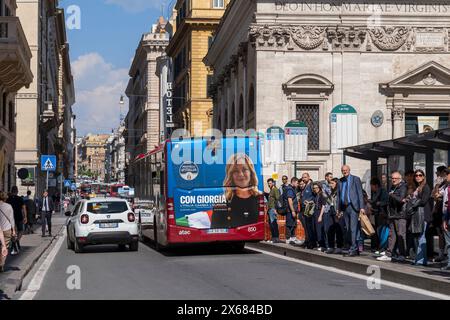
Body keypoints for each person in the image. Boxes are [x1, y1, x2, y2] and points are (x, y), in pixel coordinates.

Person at [378, 171, 408, 262]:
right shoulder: (393, 187)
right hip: (392, 215)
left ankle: (402, 254)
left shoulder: (403, 187)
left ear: (400, 179)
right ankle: (389, 253)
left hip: (400, 215)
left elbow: (401, 200)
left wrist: (392, 195)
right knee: (392, 235)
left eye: (395, 178)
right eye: (392, 178)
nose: (393, 180)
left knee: (400, 235)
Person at [337, 165, 365, 257]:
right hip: (344, 207)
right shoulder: (340, 181)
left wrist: (362, 207)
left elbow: (360, 193)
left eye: (346, 170)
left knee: (353, 229)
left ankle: (353, 248)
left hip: (353, 206)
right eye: (343, 170)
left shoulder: (355, 179)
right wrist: (338, 208)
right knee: (348, 229)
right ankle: (353, 247)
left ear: (349, 170)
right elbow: (339, 195)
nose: (344, 172)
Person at [407, 169, 432, 266]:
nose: (418, 177)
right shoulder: (417, 187)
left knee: (421, 237)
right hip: (416, 215)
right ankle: (421, 259)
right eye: (416, 175)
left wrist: (412, 202)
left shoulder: (426, 187)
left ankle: (420, 260)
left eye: (420, 175)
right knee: (417, 237)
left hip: (424, 215)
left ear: (424, 176)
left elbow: (424, 201)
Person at [428, 166, 448, 262]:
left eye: (438, 173)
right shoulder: (441, 184)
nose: (437, 175)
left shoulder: (446, 184)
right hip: (439, 211)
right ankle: (441, 254)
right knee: (440, 233)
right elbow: (433, 196)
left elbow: (437, 196)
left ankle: (444, 254)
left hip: (443, 211)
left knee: (444, 233)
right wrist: (437, 185)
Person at [323, 178, 344, 254]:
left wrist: (340, 211)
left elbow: (341, 202)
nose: (330, 185)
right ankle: (331, 246)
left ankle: (339, 247)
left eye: (332, 183)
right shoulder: (331, 192)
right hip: (331, 210)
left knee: (338, 229)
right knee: (330, 229)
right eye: (330, 183)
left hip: (337, 210)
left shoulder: (339, 191)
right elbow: (329, 201)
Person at [369, 177, 388, 252]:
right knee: (378, 231)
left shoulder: (383, 192)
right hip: (377, 214)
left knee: (381, 232)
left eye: (371, 186)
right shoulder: (375, 193)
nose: (371, 188)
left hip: (382, 214)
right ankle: (379, 247)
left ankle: (383, 248)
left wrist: (379, 203)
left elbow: (386, 201)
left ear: (376, 185)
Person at [284, 177, 302, 245]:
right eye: (297, 183)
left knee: (293, 224)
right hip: (290, 210)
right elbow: (290, 200)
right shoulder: (290, 189)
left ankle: (292, 238)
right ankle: (288, 238)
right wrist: (293, 211)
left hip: (291, 210)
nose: (298, 185)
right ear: (293, 182)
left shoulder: (290, 189)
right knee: (290, 224)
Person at [0, 191, 15, 272]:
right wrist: (14, 230)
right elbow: (11, 219)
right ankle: (1, 265)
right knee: (4, 247)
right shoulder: (8, 206)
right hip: (6, 229)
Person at [300, 173, 315, 249]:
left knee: (310, 226)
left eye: (305, 177)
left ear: (309, 177)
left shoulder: (311, 185)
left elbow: (315, 196)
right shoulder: (305, 186)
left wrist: (310, 202)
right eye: (302, 177)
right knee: (306, 227)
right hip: (304, 209)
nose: (303, 179)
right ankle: (308, 241)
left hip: (310, 208)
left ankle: (312, 243)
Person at [440, 169, 450, 271]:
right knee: (448, 242)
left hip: (448, 216)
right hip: (447, 215)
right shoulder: (446, 187)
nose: (445, 176)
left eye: (447, 174)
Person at [312, 183, 327, 251]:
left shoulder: (322, 195)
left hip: (320, 212)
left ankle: (323, 245)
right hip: (315, 212)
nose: (315, 189)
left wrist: (320, 216)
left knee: (320, 230)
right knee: (316, 229)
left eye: (316, 188)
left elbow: (323, 205)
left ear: (319, 187)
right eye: (314, 188)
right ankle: (319, 244)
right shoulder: (316, 195)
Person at [267, 178, 281, 243]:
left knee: (274, 223)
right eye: (268, 183)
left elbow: (278, 199)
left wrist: (276, 209)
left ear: (273, 183)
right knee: (271, 223)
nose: (269, 184)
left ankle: (276, 238)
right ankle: (273, 237)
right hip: (269, 209)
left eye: (270, 183)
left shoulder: (275, 190)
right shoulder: (271, 190)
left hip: (273, 209)